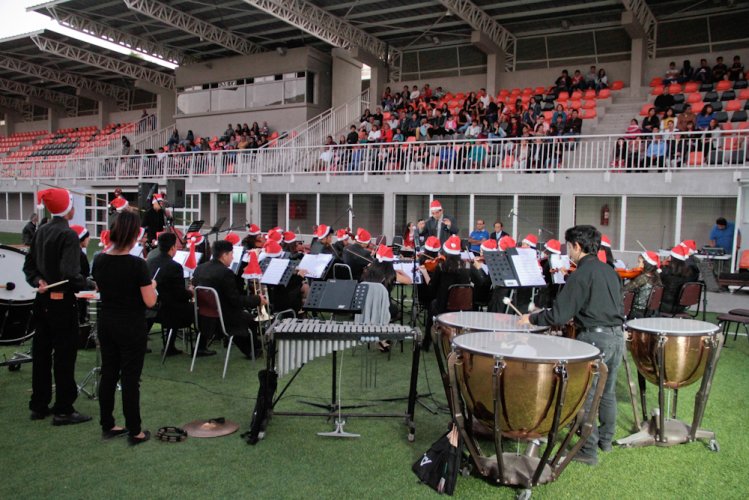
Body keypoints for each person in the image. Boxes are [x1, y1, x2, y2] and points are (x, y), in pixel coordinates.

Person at [520, 225, 624, 466]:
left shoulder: (581, 274)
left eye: (569, 247)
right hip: (617, 336)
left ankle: (587, 451)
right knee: (606, 393)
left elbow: (558, 315)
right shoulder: (611, 271)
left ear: (577, 246)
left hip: (596, 339)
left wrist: (532, 317)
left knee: (585, 396)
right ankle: (605, 441)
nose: (568, 252)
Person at [23, 188, 95, 425]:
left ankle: (39, 404)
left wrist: (37, 281)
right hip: (62, 303)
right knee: (64, 356)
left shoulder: (40, 230)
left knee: (41, 353)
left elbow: (29, 267)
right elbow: (70, 274)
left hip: (42, 301)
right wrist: (89, 283)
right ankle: (64, 408)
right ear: (67, 208)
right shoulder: (67, 235)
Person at [92, 210, 156, 444]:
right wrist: (152, 285)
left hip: (107, 322)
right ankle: (135, 430)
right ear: (133, 235)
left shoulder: (99, 258)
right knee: (130, 378)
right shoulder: (137, 264)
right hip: (130, 325)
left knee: (109, 373)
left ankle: (107, 425)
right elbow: (150, 301)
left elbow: (102, 287)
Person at [192, 240, 268, 358]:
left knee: (240, 316)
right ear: (224, 255)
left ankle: (250, 348)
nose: (233, 258)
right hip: (222, 318)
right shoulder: (226, 273)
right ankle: (252, 350)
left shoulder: (200, 268)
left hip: (203, 317)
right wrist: (257, 300)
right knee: (251, 319)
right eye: (231, 254)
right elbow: (235, 301)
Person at [147, 232, 194, 356]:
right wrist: (190, 293)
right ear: (173, 248)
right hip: (167, 311)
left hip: (150, 307)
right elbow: (179, 294)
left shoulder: (150, 262)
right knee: (196, 309)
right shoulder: (175, 266)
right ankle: (200, 346)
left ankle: (169, 345)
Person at [660, 246, 698, 315]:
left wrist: (660, 267)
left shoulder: (666, 272)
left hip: (665, 305)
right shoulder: (689, 273)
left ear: (671, 258)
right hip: (681, 306)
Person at [623, 251, 662, 318]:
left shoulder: (642, 278)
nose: (638, 265)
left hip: (637, 311)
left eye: (639, 262)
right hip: (649, 312)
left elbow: (625, 289)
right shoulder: (656, 277)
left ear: (646, 264)